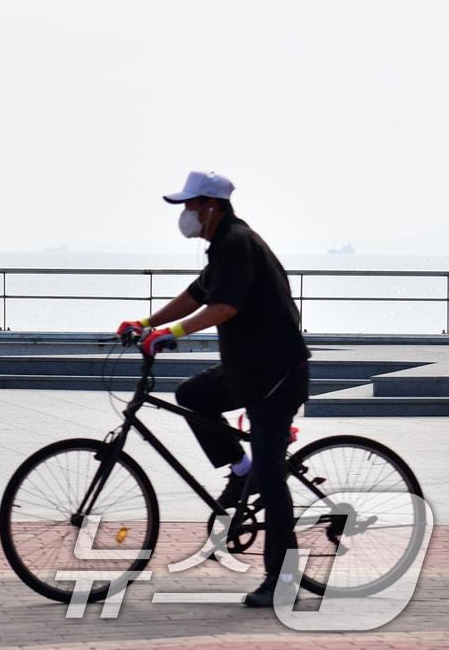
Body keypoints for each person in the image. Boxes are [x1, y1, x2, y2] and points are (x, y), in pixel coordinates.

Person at [116, 170, 311, 608]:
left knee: (274, 478)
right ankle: (242, 470)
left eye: (189, 205)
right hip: (247, 370)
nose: (185, 214)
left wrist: (174, 334)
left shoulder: (239, 243)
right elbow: (197, 294)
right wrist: (146, 323)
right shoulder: (222, 248)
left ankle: (282, 582)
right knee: (193, 395)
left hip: (276, 376)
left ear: (211, 206)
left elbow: (225, 306)